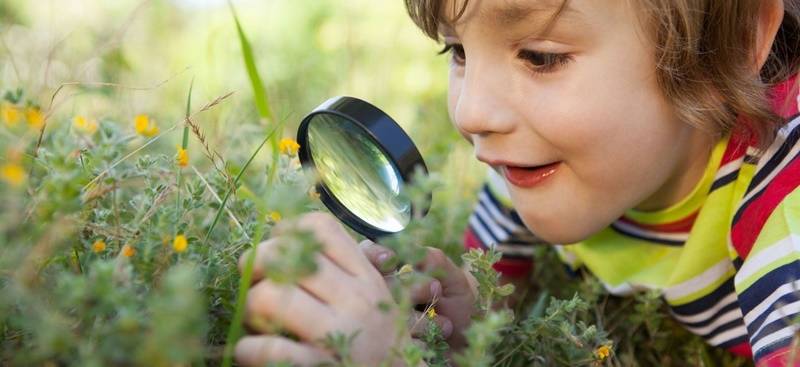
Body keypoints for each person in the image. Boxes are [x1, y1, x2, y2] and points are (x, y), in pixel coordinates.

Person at [235, 0, 800, 366]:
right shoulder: (534, 162)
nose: (472, 113)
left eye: (541, 56)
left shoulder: (785, 197)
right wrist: (462, 326)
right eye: (457, 50)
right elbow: (490, 308)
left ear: (733, 42)